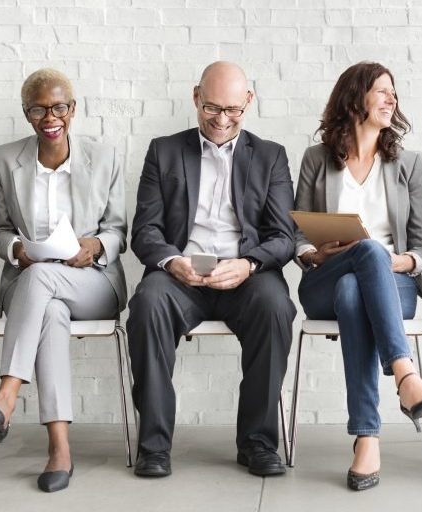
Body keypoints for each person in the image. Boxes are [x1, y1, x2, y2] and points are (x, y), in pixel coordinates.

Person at [126, 61, 296, 478]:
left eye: (233, 110)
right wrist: (172, 261)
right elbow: (145, 230)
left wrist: (248, 263)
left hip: (246, 274)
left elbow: (284, 235)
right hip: (180, 273)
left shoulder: (270, 156)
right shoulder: (163, 150)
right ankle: (154, 446)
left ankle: (257, 443)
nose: (222, 120)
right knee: (146, 305)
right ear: (196, 96)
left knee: (277, 307)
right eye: (212, 108)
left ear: (249, 102)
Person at [0, 69, 127, 492]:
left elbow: (118, 230)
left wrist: (93, 246)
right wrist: (16, 250)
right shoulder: (5, 160)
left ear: (73, 109)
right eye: (38, 109)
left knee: (43, 281)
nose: (50, 116)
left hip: (93, 282)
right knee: (51, 312)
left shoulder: (105, 156)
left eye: (59, 107)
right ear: (27, 114)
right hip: (33, 287)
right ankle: (59, 448)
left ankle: (5, 395)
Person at [293, 62, 422, 491]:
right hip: (325, 275)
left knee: (357, 284)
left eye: (393, 92)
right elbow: (296, 233)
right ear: (354, 97)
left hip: (392, 284)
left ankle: (367, 436)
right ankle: (404, 375)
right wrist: (313, 252)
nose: (391, 98)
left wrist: (402, 261)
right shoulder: (316, 159)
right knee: (358, 263)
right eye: (380, 90)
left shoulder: (408, 164)